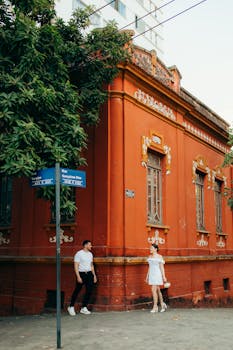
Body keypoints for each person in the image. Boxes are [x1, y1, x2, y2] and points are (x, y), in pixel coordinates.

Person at [67, 240, 97, 316]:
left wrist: (94, 275)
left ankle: (83, 307)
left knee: (89, 291)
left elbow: (91, 265)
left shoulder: (90, 254)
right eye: (90, 245)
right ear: (85, 245)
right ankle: (71, 306)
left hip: (89, 273)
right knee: (77, 290)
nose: (91, 246)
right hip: (81, 274)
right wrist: (78, 276)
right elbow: (76, 265)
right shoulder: (79, 254)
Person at [146, 243, 167, 313]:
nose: (150, 249)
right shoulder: (149, 257)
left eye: (151, 248)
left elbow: (162, 267)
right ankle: (162, 304)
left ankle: (155, 307)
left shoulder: (159, 257)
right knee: (158, 290)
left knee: (153, 290)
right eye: (150, 248)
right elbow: (149, 267)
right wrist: (147, 276)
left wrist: (164, 276)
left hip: (157, 274)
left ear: (155, 249)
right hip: (152, 275)